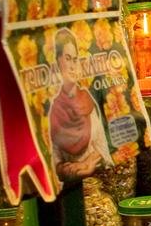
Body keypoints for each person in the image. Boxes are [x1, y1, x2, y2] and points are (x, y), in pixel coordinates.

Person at [48, 28, 112, 181]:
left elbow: (104, 149)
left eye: (75, 59)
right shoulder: (53, 109)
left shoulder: (87, 100)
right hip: (69, 193)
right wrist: (69, 170)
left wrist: (90, 162)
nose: (72, 65)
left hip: (99, 186)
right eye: (67, 58)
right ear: (58, 61)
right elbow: (53, 162)